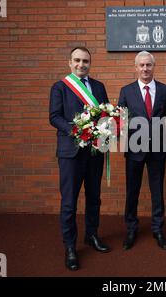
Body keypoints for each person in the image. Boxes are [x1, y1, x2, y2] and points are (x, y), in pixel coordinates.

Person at [49, 46, 111, 271]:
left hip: (94, 152)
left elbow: (105, 115)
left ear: (90, 63)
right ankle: (70, 246)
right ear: (70, 62)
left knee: (94, 197)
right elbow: (54, 117)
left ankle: (91, 235)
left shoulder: (99, 87)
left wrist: (108, 127)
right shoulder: (60, 87)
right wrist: (75, 130)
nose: (81, 64)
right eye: (77, 60)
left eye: (85, 61)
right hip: (71, 153)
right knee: (69, 202)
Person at [118, 51, 166, 250]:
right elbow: (120, 120)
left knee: (157, 190)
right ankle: (131, 229)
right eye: (141, 65)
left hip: (158, 150)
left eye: (148, 65)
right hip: (134, 149)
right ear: (136, 67)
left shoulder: (165, 90)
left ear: (154, 66)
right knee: (132, 191)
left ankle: (157, 228)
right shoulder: (126, 91)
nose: (145, 69)